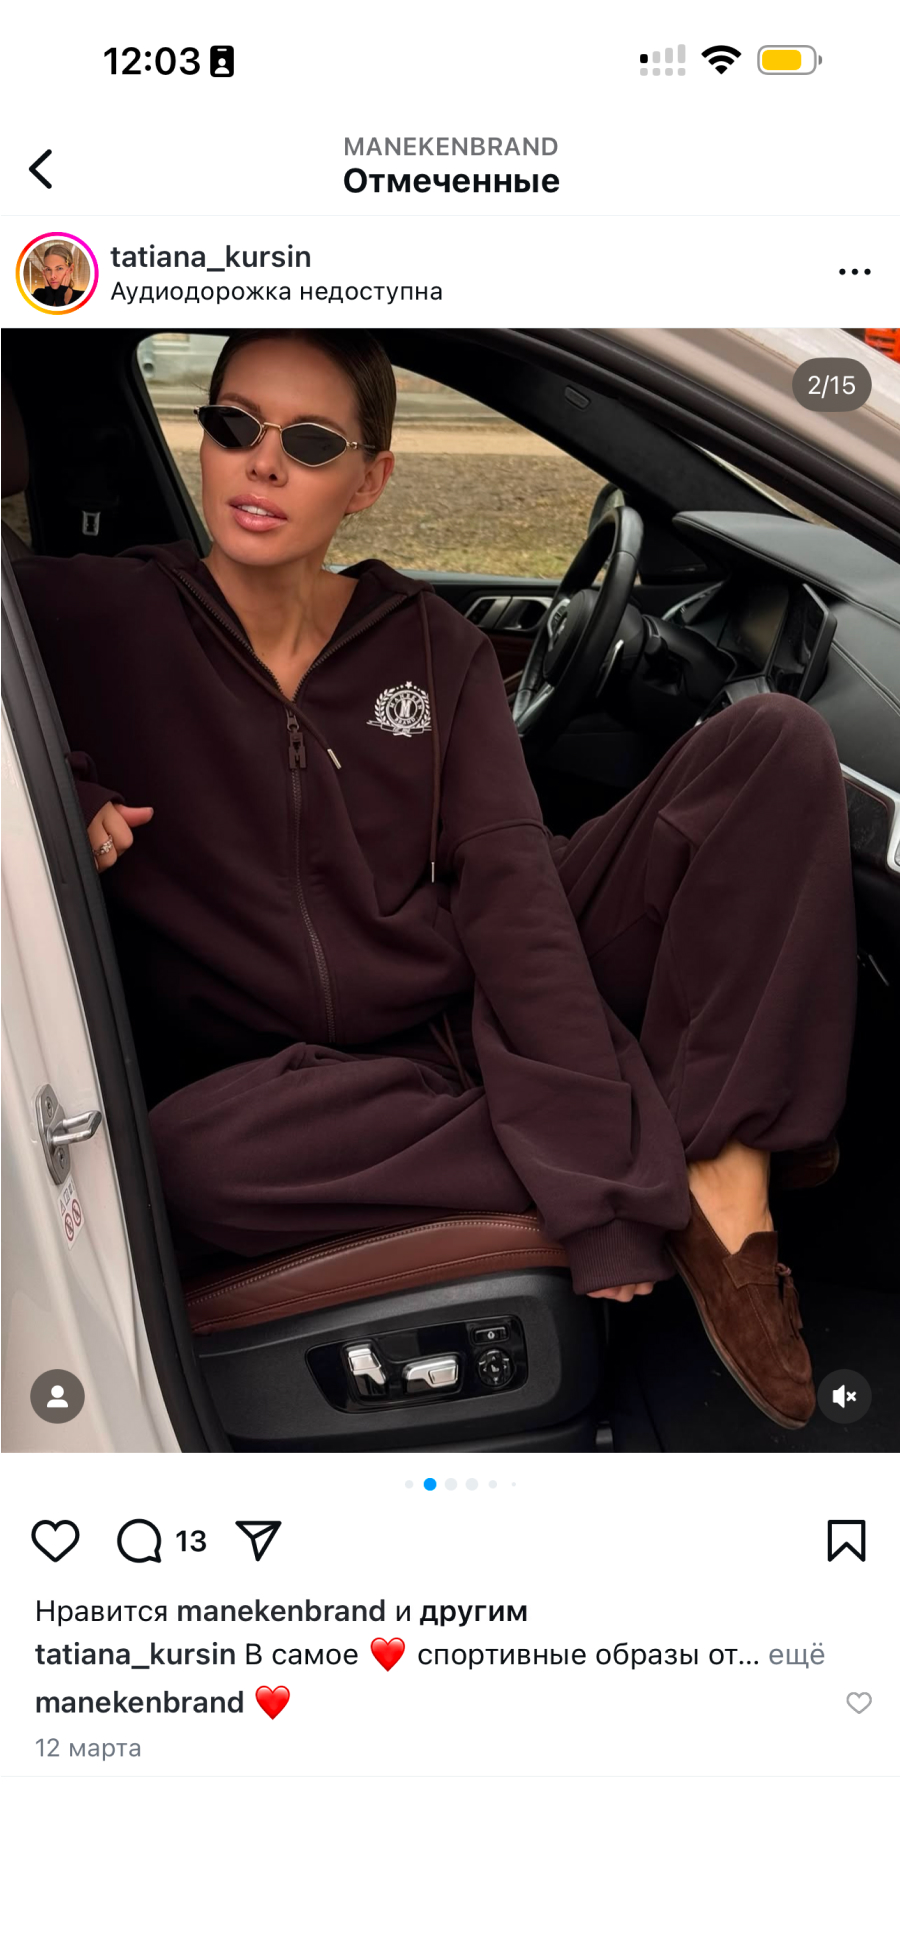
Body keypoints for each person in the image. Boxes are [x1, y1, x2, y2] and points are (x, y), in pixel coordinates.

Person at [14, 330, 857, 1430]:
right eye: (234, 425)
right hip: (288, 1080)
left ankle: (721, 1171)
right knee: (185, 1162)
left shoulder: (432, 646)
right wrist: (62, 780)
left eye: (311, 443)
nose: (262, 462)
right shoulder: (95, 619)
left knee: (772, 746)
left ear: (369, 479)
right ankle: (675, 1124)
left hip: (469, 989)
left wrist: (602, 1204)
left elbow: (512, 895)